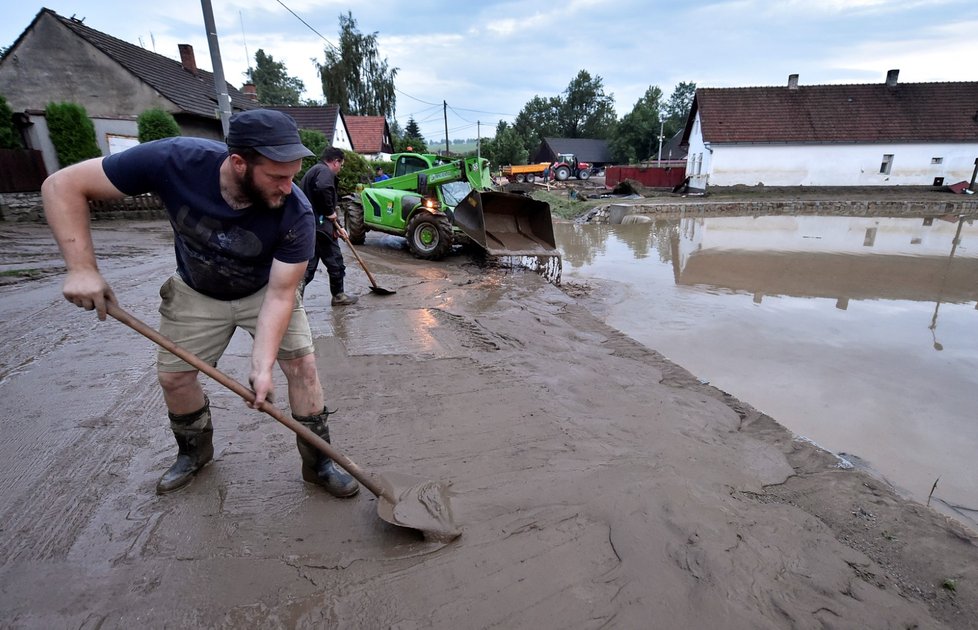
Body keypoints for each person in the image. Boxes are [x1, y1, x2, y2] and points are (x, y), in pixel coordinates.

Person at [41, 109, 359, 498]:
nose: (288, 187)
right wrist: (82, 268)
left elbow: (279, 295)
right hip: (196, 289)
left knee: (303, 367)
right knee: (174, 378)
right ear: (239, 163)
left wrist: (261, 366)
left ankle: (319, 463)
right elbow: (61, 185)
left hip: (263, 291)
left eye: (292, 175)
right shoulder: (173, 161)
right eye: (277, 176)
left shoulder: (297, 213)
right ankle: (194, 453)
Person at [300, 147, 358, 306]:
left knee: (309, 267)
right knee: (335, 262)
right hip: (321, 229)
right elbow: (323, 188)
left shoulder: (314, 171)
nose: (340, 168)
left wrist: (339, 226)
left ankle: (293, 298)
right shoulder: (325, 172)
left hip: (312, 227)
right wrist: (329, 212)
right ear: (335, 161)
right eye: (341, 164)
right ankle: (338, 296)